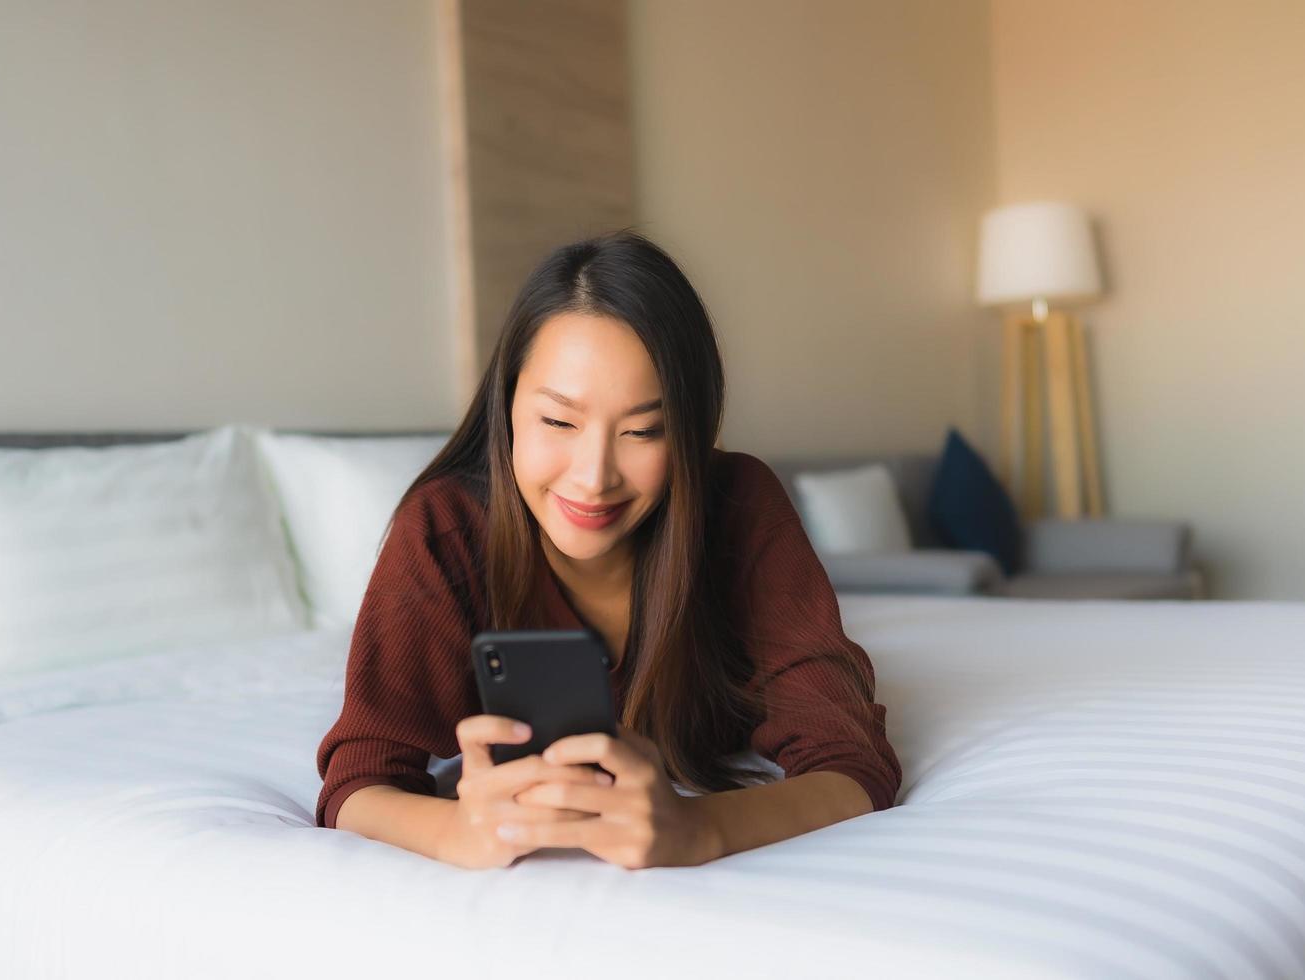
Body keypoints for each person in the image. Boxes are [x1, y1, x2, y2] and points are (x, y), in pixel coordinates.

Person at [315, 229, 901, 870]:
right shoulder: (445, 529)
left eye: (644, 430)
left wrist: (695, 829)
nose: (594, 478)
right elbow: (355, 788)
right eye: (559, 422)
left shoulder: (739, 506)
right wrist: (459, 831)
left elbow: (852, 768)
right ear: (506, 406)